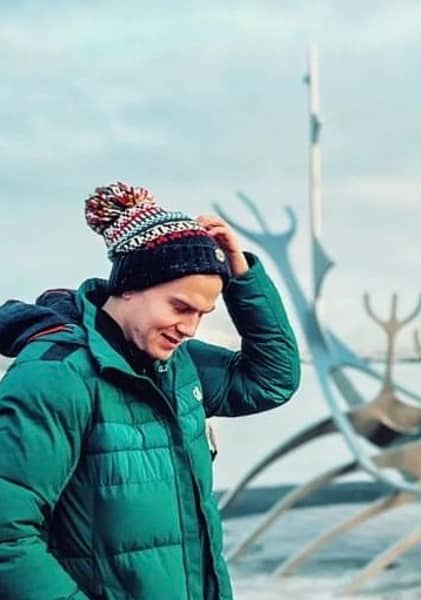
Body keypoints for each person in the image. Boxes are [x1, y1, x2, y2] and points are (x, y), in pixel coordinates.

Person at [0, 182, 301, 599]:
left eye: (202, 313)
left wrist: (241, 276)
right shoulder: (56, 376)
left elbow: (271, 380)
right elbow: (8, 536)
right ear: (129, 285)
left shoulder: (178, 365)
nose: (190, 328)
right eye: (180, 307)